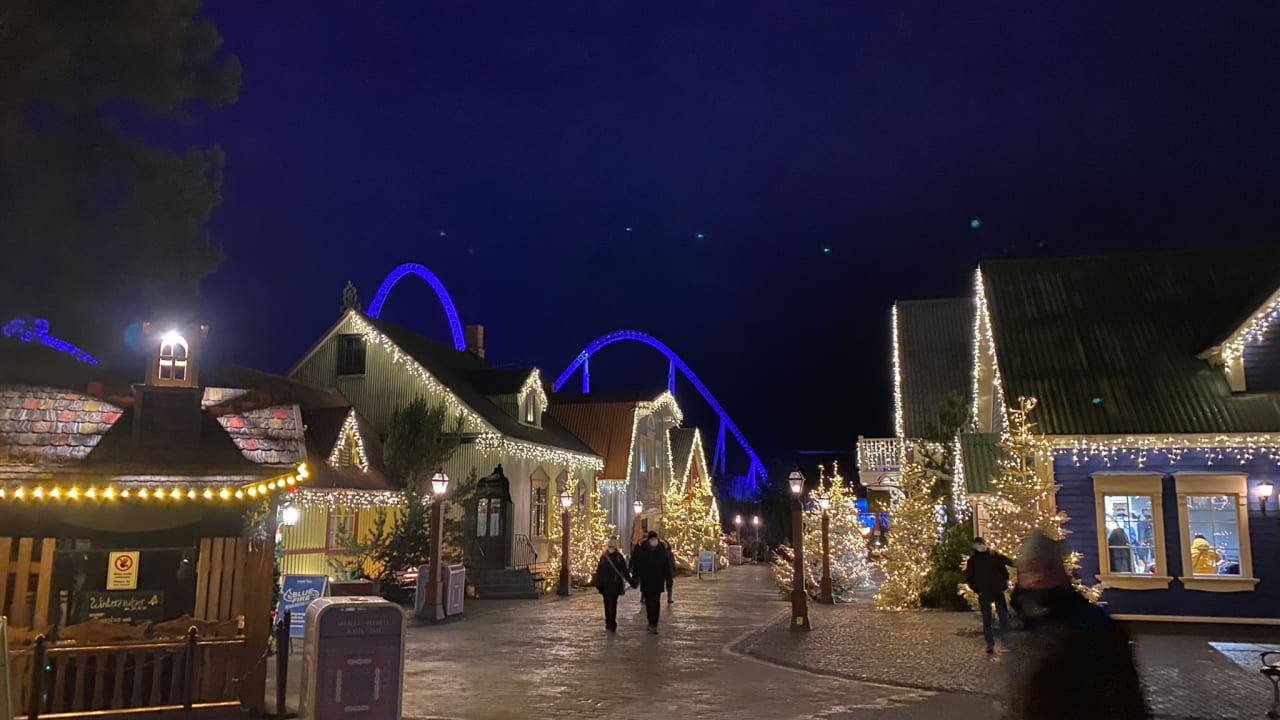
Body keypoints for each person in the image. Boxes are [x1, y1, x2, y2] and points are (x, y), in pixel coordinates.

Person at [1003, 532, 1149, 719]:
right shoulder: (1023, 624)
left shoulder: (1095, 628)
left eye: (1047, 568)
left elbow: (1122, 703)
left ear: (1060, 571)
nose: (1038, 577)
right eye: (1029, 569)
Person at [965, 536, 1015, 653]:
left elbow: (1007, 565)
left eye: (981, 543)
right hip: (984, 592)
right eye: (978, 544)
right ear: (975, 546)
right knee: (987, 619)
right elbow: (970, 577)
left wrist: (1004, 584)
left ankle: (1006, 643)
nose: (981, 546)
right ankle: (990, 644)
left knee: (1003, 618)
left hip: (997, 590)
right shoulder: (973, 561)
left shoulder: (995, 556)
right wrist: (977, 589)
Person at [629, 531, 673, 634]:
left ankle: (653, 623)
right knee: (651, 602)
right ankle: (652, 622)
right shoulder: (648, 548)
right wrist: (668, 577)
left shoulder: (658, 549)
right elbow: (638, 564)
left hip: (653, 580)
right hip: (651, 580)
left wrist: (668, 577)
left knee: (653, 602)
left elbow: (666, 564)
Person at [594, 539, 632, 632]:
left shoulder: (615, 557)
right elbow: (599, 571)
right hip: (606, 585)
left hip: (613, 585)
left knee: (611, 604)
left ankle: (611, 623)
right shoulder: (607, 557)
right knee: (609, 604)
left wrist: (631, 581)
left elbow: (624, 571)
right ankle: (609, 622)